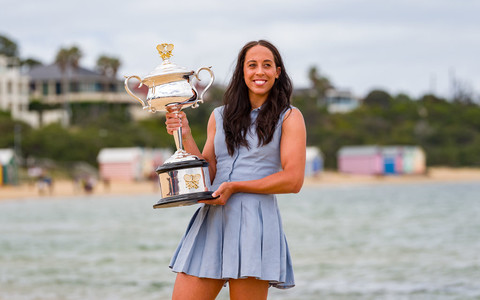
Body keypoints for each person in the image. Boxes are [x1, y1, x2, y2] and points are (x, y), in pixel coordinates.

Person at [164, 40, 306, 300]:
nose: (259, 72)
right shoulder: (218, 116)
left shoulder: (289, 117)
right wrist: (185, 134)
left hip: (256, 224)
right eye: (252, 65)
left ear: (278, 71)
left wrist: (237, 186)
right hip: (213, 220)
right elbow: (207, 174)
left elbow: (293, 180)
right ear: (242, 71)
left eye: (267, 65)